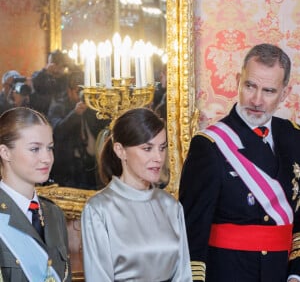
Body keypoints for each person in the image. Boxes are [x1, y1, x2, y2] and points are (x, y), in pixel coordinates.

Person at [179, 43, 300, 282]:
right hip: (229, 272)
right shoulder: (209, 145)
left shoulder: (293, 137)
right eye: (250, 86)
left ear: (284, 94)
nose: (256, 100)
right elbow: (192, 231)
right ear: (238, 81)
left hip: (282, 274)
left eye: (269, 91)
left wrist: (296, 273)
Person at [81, 107, 192, 282]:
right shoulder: (99, 209)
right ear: (120, 150)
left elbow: (183, 275)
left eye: (162, 148)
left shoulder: (171, 205)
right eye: (147, 148)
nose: (158, 157)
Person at [0, 107, 71, 281]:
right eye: (35, 149)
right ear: (5, 152)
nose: (47, 158)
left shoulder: (54, 214)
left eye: (50, 148)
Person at [47, 71, 109, 189]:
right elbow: (56, 131)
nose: (82, 96)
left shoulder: (92, 106)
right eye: (78, 92)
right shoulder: (58, 106)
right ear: (69, 91)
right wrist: (75, 114)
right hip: (70, 165)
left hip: (93, 163)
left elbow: (104, 128)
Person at [30, 50, 71, 116]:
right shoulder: (41, 75)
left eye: (61, 65)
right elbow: (35, 85)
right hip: (42, 115)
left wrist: (60, 75)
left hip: (60, 116)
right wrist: (45, 71)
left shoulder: (66, 79)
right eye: (51, 63)